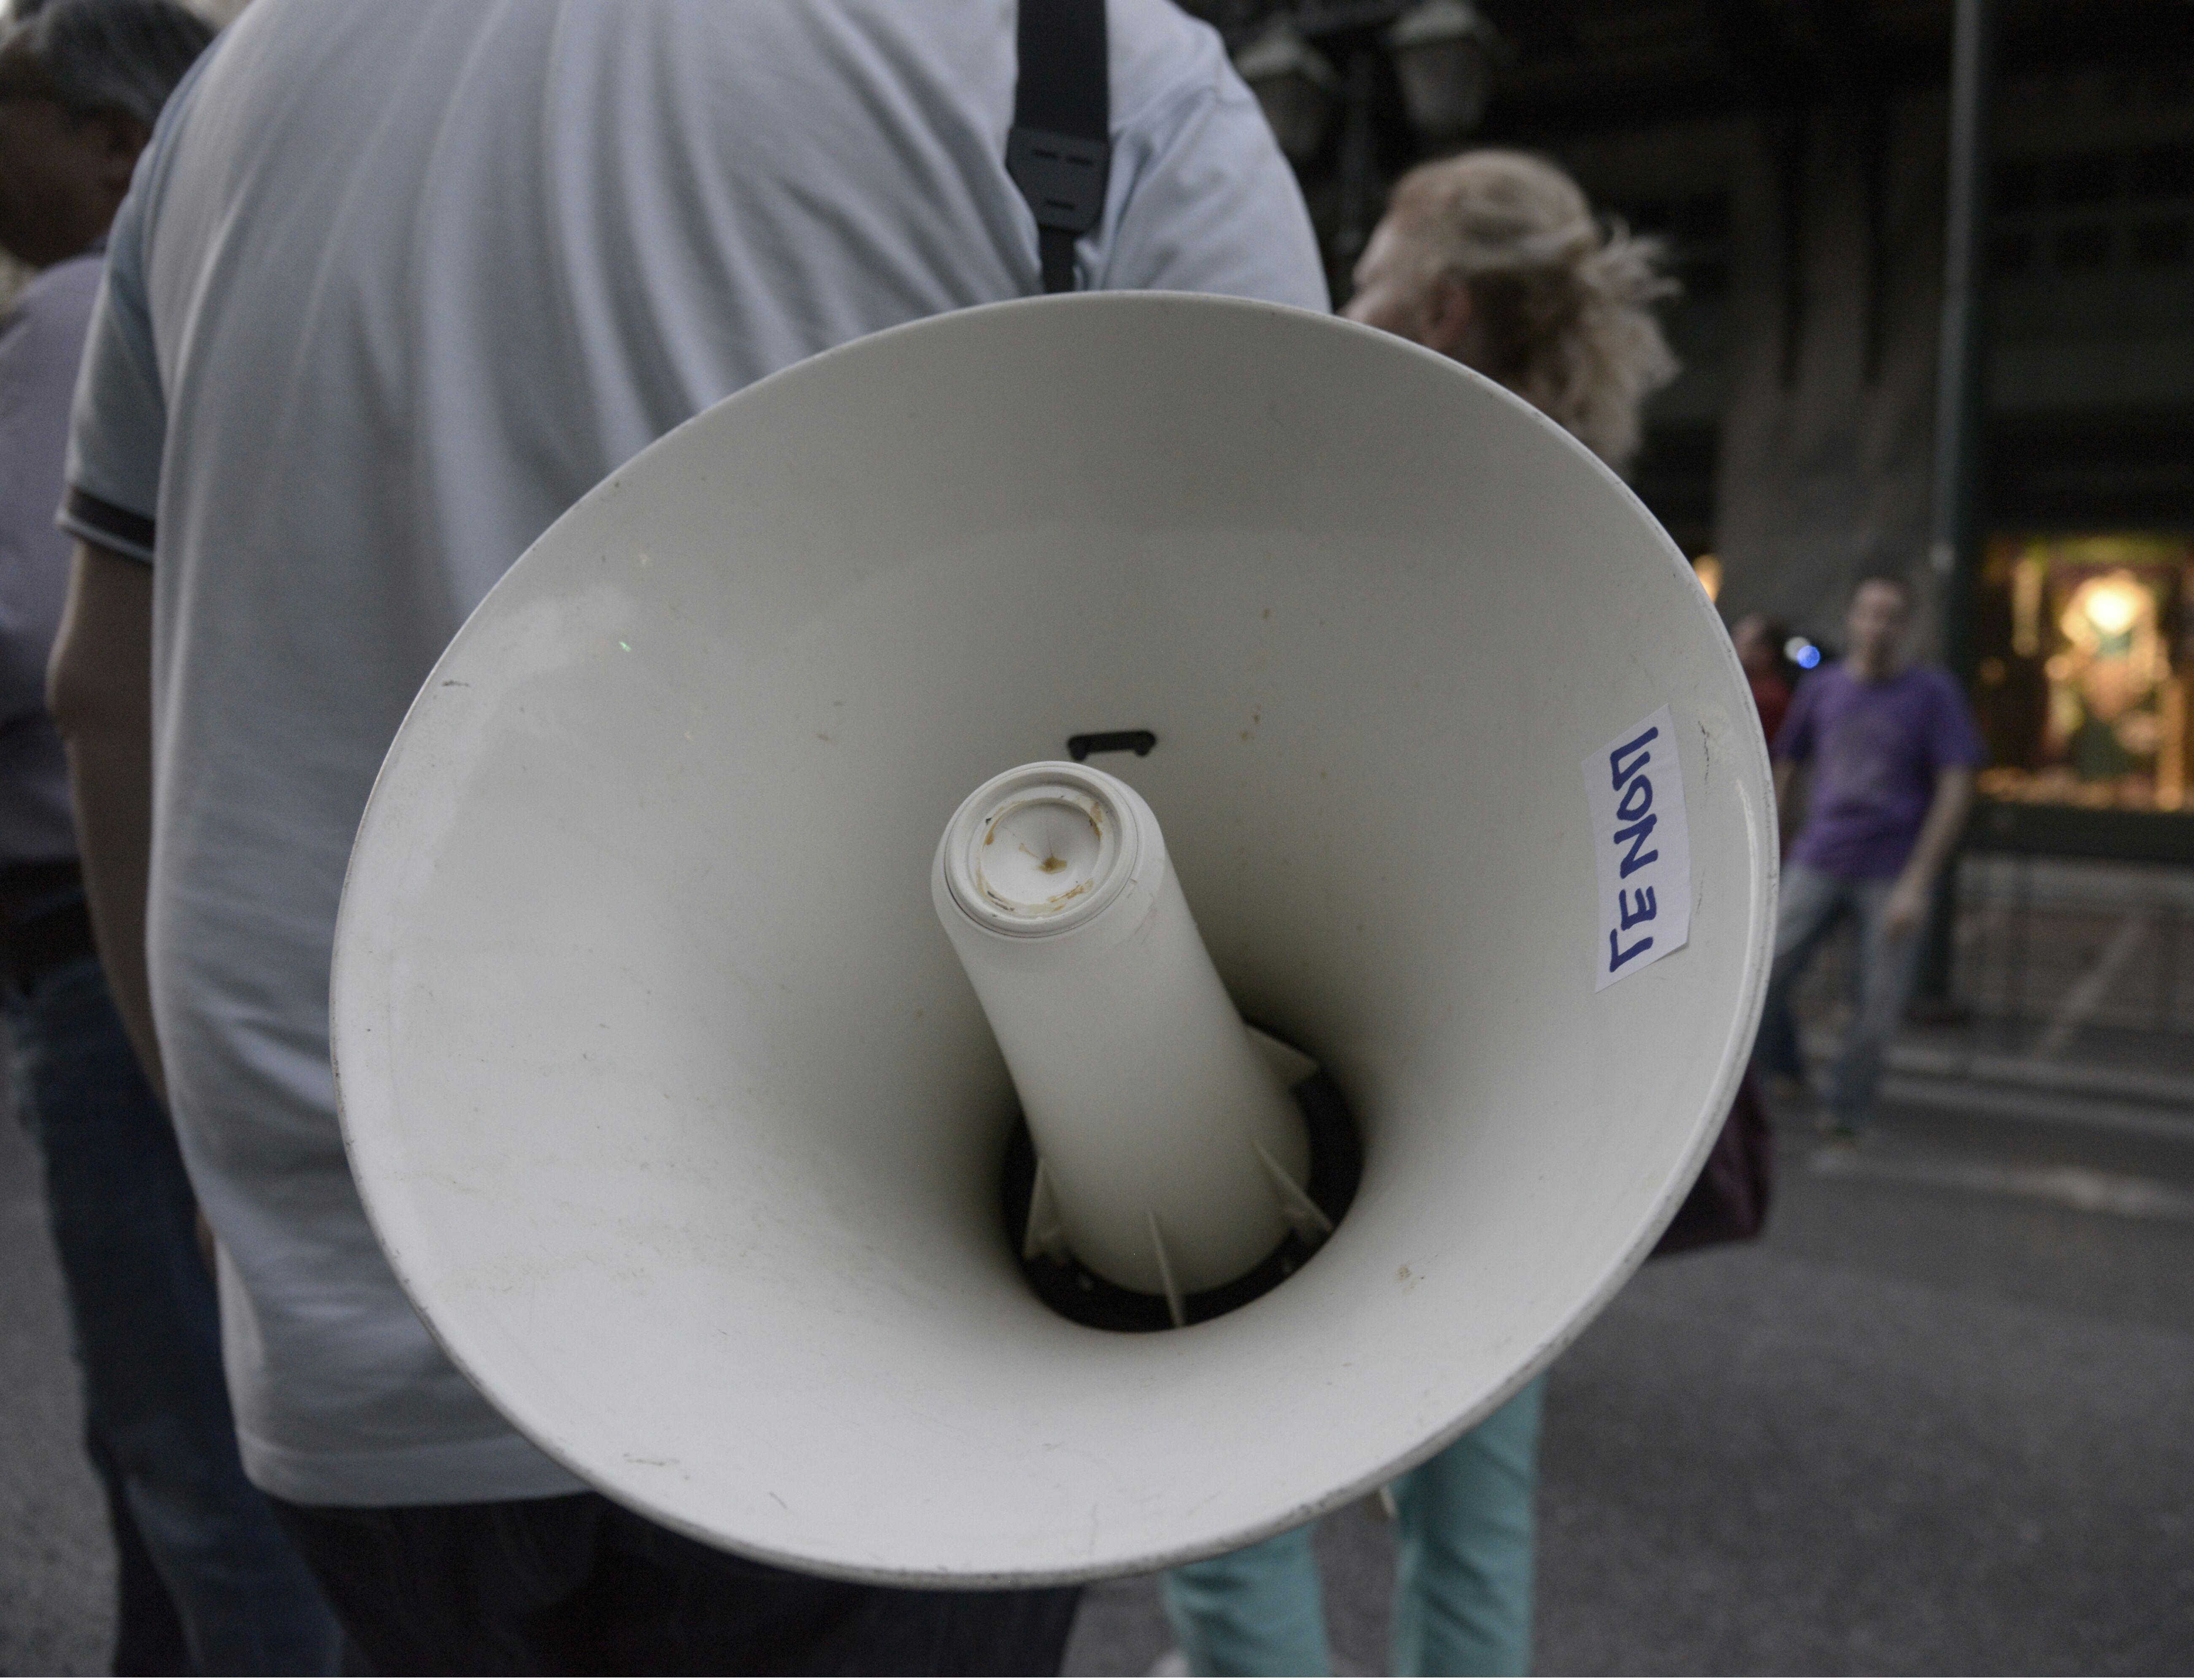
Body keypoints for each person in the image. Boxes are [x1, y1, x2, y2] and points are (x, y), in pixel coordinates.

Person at [45, 1, 1325, 1670]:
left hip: (373, 1298)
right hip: (900, 1350)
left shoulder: (228, 93)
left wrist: (228, 1155)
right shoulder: (1086, 57)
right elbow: (1307, 671)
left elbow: (104, 692)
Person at [1158, 149, 1677, 1679]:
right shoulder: (1589, 517)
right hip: (1518, 1093)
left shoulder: (1350, 485)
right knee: (1475, 1510)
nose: (1348, 291)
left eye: (1371, 262)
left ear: (1443, 304)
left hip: (1306, 1026)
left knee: (1233, 1477)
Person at [0, 3, 345, 1672]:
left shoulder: (84, 294)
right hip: (181, 917)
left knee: (191, 1449)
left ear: (117, 139)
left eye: (12, 105)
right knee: (166, 1450)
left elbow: (60, 661)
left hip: (104, 923)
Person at [1763, 574, 1983, 1140]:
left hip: (1892, 869)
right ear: (1852, 619)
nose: (1878, 626)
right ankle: (1784, 1066)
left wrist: (1918, 880)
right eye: (1869, 612)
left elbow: (1956, 784)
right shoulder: (1824, 688)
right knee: (1765, 975)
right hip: (1819, 857)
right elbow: (1787, 764)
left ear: (1906, 626)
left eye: (1891, 615)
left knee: (1878, 1010)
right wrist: (1772, 848)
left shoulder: (1931, 693)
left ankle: (1844, 1107)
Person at [1734, 611, 1794, 746]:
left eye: (1744, 643)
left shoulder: (1770, 699)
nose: (1734, 648)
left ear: (1765, 653)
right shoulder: (1744, 686)